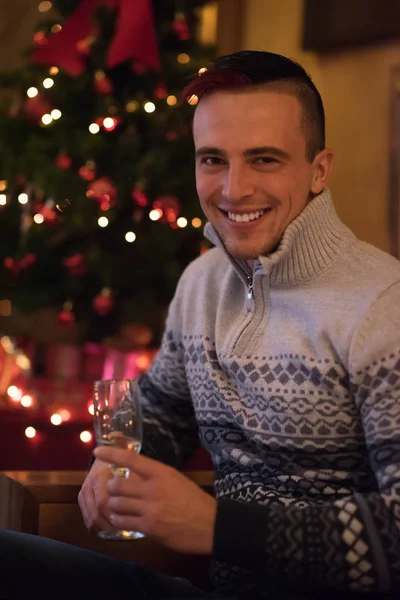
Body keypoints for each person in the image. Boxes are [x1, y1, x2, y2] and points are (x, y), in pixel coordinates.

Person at [1, 50, 399, 599]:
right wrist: (112, 458)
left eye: (264, 159)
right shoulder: (202, 281)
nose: (233, 190)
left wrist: (217, 528)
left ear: (319, 169)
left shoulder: (383, 306)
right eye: (213, 159)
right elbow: (159, 404)